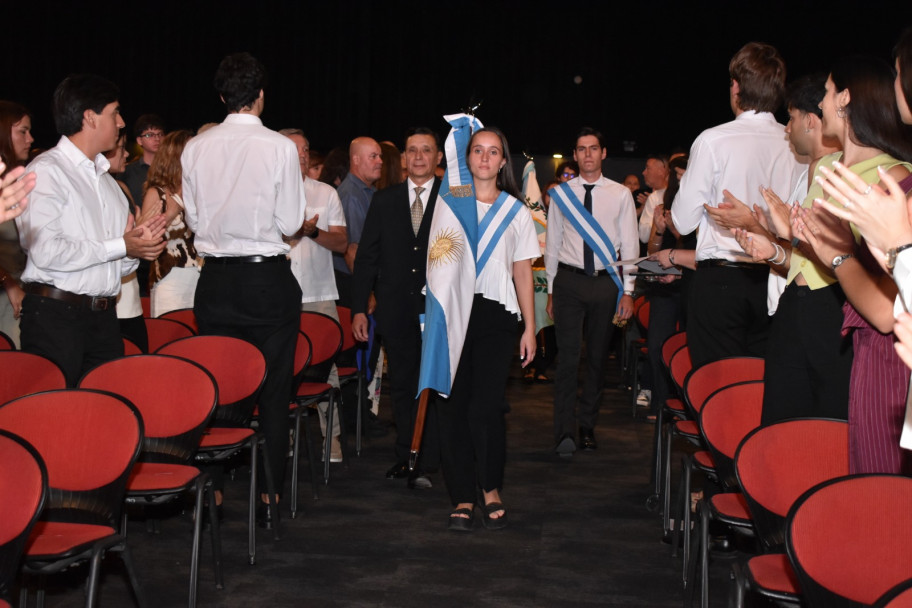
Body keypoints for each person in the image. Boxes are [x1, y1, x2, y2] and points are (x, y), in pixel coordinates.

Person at [181, 53, 307, 524]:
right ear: (260, 95)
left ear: (221, 97)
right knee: (273, 390)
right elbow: (291, 222)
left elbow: (195, 221)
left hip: (215, 280)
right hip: (266, 279)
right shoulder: (278, 147)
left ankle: (212, 491)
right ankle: (270, 497)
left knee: (218, 385)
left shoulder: (196, 147)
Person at [789, 55, 912, 474]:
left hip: (888, 356)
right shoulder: (833, 166)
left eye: (825, 92)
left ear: (845, 98)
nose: (821, 104)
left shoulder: (895, 181)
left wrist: (838, 254)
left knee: (880, 489)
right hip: (872, 347)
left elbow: (884, 310)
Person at [16, 74, 166, 386]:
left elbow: (116, 265)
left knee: (105, 407)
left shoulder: (109, 185)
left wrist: (137, 248)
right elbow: (47, 252)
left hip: (104, 319)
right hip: (55, 316)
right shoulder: (46, 171)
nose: (121, 122)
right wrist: (122, 246)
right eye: (115, 112)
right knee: (56, 409)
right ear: (90, 117)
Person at [670, 42, 802, 368]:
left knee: (716, 386)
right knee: (763, 383)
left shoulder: (713, 140)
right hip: (776, 278)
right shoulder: (795, 144)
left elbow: (682, 221)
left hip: (721, 281)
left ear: (736, 87)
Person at [727, 73, 849, 425]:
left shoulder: (837, 170)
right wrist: (771, 246)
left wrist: (784, 236)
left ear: (810, 120)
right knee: (785, 419)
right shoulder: (810, 171)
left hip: (826, 307)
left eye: (791, 118)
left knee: (820, 421)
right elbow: (804, 260)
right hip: (798, 303)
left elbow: (832, 255)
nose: (786, 128)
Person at [437, 127, 538, 531]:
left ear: (502, 162)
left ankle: (490, 487)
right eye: (477, 150)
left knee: (488, 407)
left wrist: (531, 327)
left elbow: (523, 271)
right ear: (468, 158)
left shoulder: (516, 211)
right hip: (452, 312)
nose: (484, 157)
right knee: (453, 406)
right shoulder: (449, 202)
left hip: (496, 315)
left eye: (493, 152)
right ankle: (462, 494)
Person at [353, 127, 442, 489]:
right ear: (404, 158)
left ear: (438, 157)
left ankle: (433, 456)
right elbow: (366, 258)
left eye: (426, 150)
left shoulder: (454, 200)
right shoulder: (384, 200)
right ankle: (408, 456)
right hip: (396, 309)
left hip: (439, 310)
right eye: (412, 150)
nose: (419, 157)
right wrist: (359, 308)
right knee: (403, 384)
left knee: (436, 385)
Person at [545, 127, 637, 457]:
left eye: (593, 148)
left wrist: (629, 291)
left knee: (597, 359)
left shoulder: (620, 194)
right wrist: (552, 290)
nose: (587, 154)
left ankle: (587, 425)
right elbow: (553, 243)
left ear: (603, 153)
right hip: (568, 282)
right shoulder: (561, 195)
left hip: (605, 284)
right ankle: (563, 432)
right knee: (568, 360)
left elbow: (630, 244)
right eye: (581, 149)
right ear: (575, 154)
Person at [280, 128, 348, 463]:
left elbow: (342, 243)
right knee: (282, 368)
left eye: (306, 149)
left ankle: (331, 439)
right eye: (295, 150)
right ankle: (284, 437)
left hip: (319, 293)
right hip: (277, 295)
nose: (303, 155)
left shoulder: (325, 193)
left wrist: (312, 231)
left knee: (325, 367)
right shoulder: (266, 191)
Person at [141, 130, 201, 318]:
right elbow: (145, 239)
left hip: (200, 275)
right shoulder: (157, 193)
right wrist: (171, 214)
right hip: (170, 279)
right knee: (172, 332)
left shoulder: (197, 191)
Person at [107, 130, 148, 351]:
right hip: (108, 290)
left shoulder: (120, 187)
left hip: (129, 284)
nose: (126, 154)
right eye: (121, 149)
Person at [333, 137, 382, 308]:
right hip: (353, 282)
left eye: (380, 156)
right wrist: (366, 291)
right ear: (356, 159)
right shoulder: (351, 196)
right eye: (373, 156)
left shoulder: (367, 190)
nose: (380, 161)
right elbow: (352, 250)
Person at [0, 101, 34, 346]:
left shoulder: (19, 182)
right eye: (23, 131)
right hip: (6, 295)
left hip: (24, 291)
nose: (30, 139)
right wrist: (8, 282)